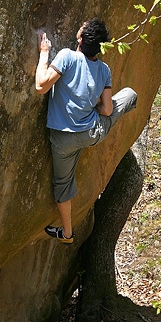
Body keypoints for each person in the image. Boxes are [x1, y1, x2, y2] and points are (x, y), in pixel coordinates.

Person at [35, 18, 137, 244]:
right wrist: (94, 107)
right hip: (92, 133)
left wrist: (44, 52)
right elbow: (109, 109)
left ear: (80, 39)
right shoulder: (104, 69)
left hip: (63, 140)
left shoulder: (67, 57)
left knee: (63, 183)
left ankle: (68, 234)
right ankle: (133, 103)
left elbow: (41, 86)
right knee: (129, 94)